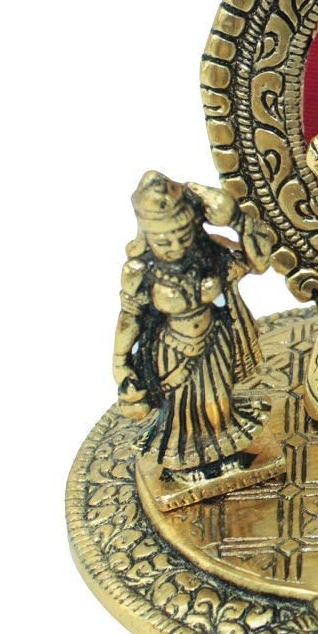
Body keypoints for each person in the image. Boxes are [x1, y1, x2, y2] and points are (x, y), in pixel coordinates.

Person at [112, 171, 275, 480]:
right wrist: (120, 363)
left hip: (215, 342)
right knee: (182, 414)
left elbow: (258, 262)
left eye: (184, 237)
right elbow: (129, 318)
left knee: (218, 408)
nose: (175, 246)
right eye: (164, 241)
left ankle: (223, 456)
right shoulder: (140, 271)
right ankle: (187, 464)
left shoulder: (210, 254)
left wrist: (238, 220)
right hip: (172, 352)